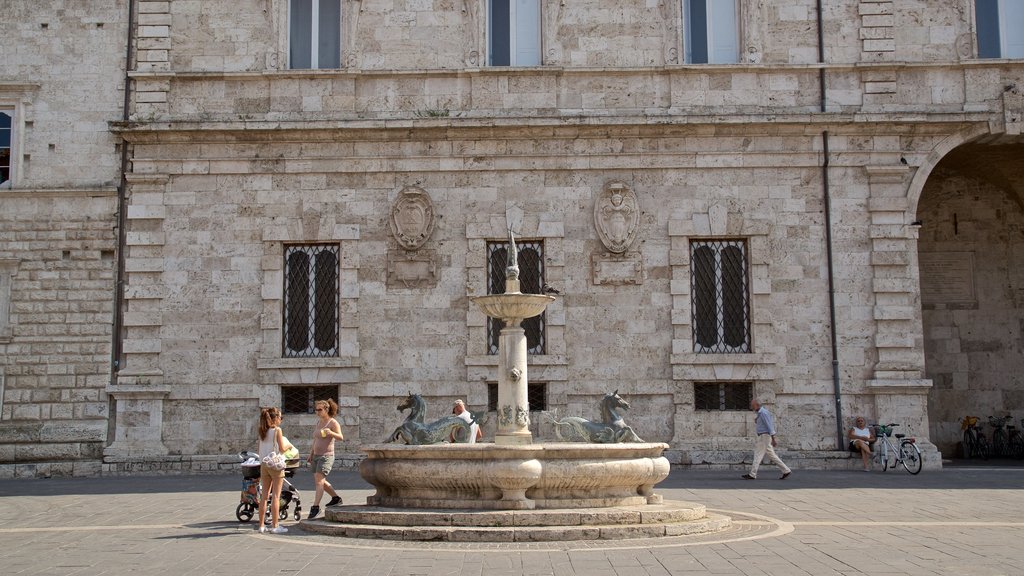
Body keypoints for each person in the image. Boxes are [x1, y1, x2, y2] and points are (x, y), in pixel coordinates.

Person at [257, 406, 293, 533]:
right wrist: (289, 445)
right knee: (276, 496)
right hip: (275, 465)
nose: (280, 420)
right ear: (275, 418)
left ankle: (261, 525)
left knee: (264, 496)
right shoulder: (277, 430)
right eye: (280, 417)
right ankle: (275, 525)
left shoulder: (262, 430)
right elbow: (282, 448)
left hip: (264, 464)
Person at [307, 399, 343, 520]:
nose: (317, 412)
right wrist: (311, 453)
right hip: (316, 455)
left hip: (326, 456)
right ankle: (336, 498)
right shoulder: (319, 422)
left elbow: (340, 437)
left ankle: (315, 507)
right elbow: (316, 439)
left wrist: (331, 433)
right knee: (320, 481)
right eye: (316, 409)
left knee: (319, 481)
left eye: (319, 409)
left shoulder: (333, 423)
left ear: (326, 409)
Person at [741, 399, 792, 480]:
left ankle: (752, 474)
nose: (751, 406)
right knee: (772, 455)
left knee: (758, 454)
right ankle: (786, 470)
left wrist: (773, 439)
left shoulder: (763, 413)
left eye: (752, 405)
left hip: (764, 437)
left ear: (757, 405)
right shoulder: (760, 413)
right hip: (764, 436)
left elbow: (769, 426)